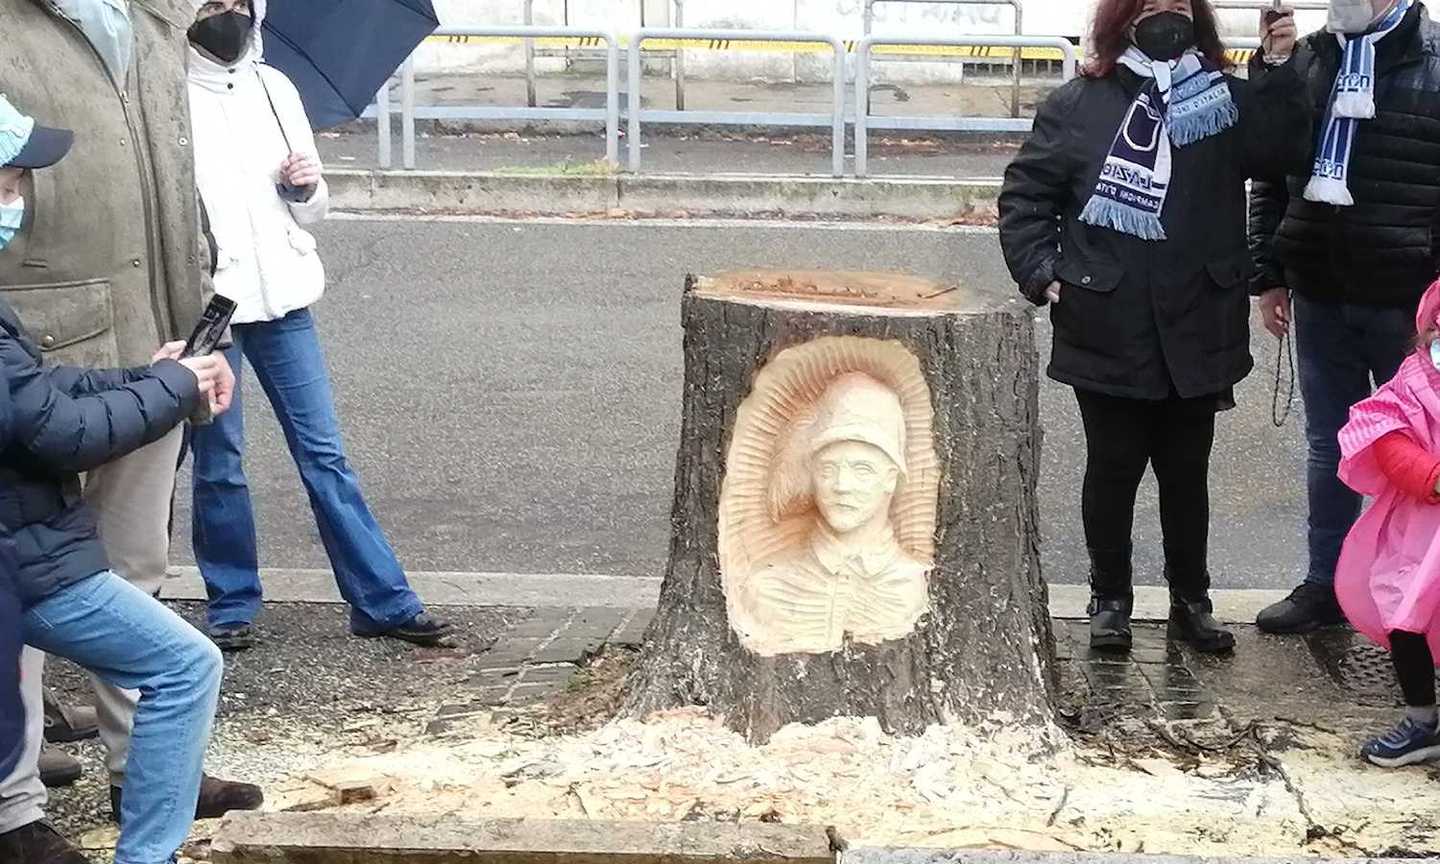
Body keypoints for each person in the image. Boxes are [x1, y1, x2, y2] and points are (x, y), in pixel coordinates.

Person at [0, 0, 263, 849]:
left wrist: (185, 330)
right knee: (24, 594)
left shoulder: (155, 22)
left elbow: (174, 165)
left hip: (147, 335)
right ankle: (14, 806)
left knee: (134, 566)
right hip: (40, 337)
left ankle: (147, 766)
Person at [999, 0, 1310, 653]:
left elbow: (1283, 148)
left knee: (1185, 471)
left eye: (1178, 3)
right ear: (1123, 16)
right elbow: (1027, 198)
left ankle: (1191, 601)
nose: (1165, 13)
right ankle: (1109, 596)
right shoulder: (1078, 103)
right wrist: (1044, 272)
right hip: (1106, 319)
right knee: (1112, 469)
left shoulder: (1225, 99)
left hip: (1198, 318)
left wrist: (1279, 65)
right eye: (1150, 3)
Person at [185, 0, 452, 650]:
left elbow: (315, 210)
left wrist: (303, 188)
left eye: (236, 4)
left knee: (324, 455)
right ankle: (231, 606)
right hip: (208, 308)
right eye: (210, 3)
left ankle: (382, 601)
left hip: (286, 300)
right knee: (219, 462)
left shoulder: (276, 89)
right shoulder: (163, 100)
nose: (226, 15)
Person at [1250, 0, 1440, 635]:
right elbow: (1271, 170)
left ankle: (1414, 597)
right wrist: (1269, 273)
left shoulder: (1433, 58)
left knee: (1417, 455)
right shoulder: (1306, 58)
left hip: (1410, 304)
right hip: (1321, 287)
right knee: (1329, 445)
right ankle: (1326, 583)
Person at [1331, 278, 1440, 767]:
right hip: (1419, 527)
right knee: (1403, 611)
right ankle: (1421, 721)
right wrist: (1429, 474)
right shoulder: (1414, 380)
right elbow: (1383, 428)